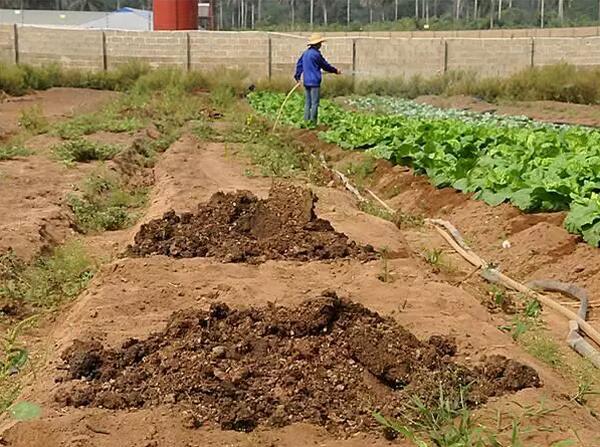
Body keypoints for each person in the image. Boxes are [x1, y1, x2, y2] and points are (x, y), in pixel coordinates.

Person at [294, 33, 341, 124]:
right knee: (315, 103)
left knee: (308, 103)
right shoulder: (316, 54)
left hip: (306, 81)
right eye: (320, 43)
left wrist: (297, 77)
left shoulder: (305, 53)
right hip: (314, 82)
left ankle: (306, 122)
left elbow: (299, 65)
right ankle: (313, 122)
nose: (321, 45)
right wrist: (335, 71)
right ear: (317, 44)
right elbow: (325, 66)